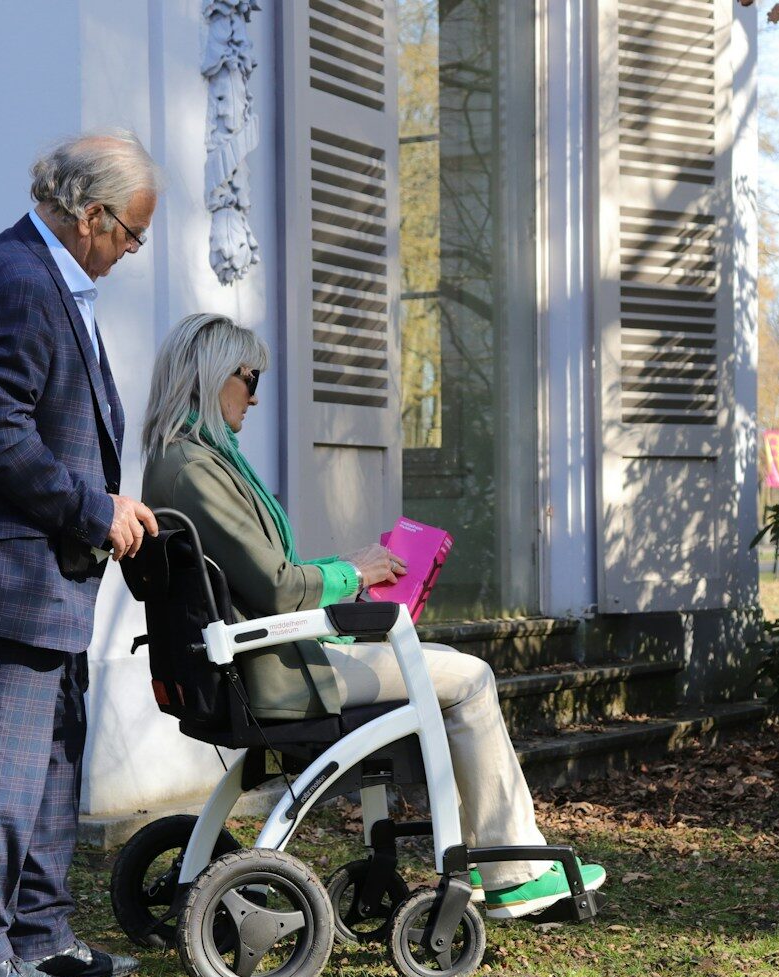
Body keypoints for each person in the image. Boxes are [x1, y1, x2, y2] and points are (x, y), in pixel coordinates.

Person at [139, 313, 607, 915]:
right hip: (279, 675)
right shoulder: (197, 470)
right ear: (212, 374)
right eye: (249, 378)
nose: (254, 397)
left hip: (263, 662)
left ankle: (495, 854)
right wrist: (353, 573)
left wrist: (348, 568)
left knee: (444, 663)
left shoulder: (183, 463)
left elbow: (260, 578)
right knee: (469, 678)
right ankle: (513, 872)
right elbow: (277, 588)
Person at [0, 130, 161, 977]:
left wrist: (100, 506)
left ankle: (43, 936)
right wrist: (96, 509)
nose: (131, 251)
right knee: (10, 770)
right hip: (15, 568)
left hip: (46, 569)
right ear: (91, 216)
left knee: (52, 761)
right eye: (131, 234)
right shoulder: (18, 280)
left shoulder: (42, 271)